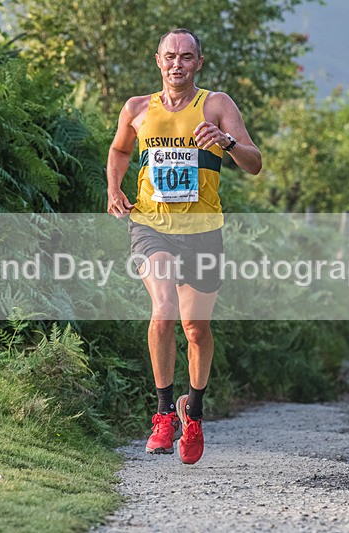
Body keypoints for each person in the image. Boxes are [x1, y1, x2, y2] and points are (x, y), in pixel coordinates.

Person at [106, 28, 261, 464]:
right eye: (170, 56)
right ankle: (162, 414)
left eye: (187, 57)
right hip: (150, 226)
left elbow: (254, 163)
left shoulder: (217, 105)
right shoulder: (137, 108)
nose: (178, 64)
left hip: (203, 231)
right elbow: (119, 151)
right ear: (158, 60)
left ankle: (192, 412)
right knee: (164, 309)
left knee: (196, 329)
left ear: (199, 63)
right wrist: (113, 188)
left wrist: (227, 142)